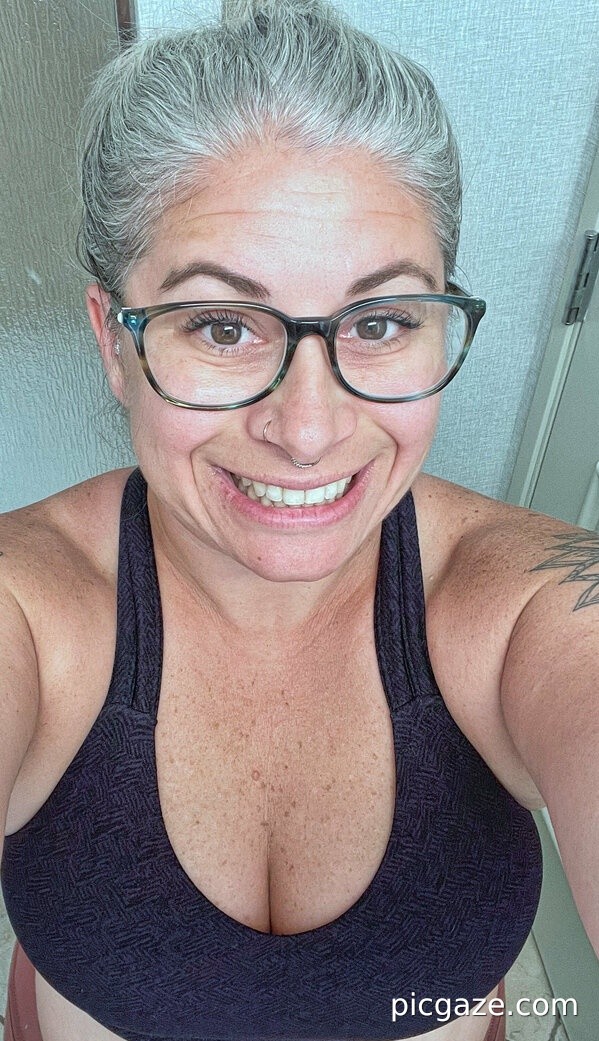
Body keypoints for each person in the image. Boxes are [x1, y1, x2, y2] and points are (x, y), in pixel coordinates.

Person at [1, 1, 597, 1039]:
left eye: (381, 321)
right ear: (113, 341)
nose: (309, 429)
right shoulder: (27, 605)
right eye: (221, 326)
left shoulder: (530, 611)